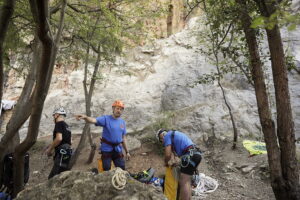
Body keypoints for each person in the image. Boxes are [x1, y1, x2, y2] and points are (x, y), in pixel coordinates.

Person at [75, 100, 130, 171]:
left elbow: (123, 138)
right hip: (107, 149)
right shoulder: (106, 119)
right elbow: (93, 120)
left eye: (121, 109)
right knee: (106, 169)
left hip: (118, 149)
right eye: (117, 108)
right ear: (113, 109)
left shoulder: (122, 122)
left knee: (122, 169)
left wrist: (127, 152)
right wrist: (85, 117)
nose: (119, 110)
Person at [157, 129, 202, 200]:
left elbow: (167, 155)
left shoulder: (167, 136)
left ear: (162, 136)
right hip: (196, 154)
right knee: (187, 181)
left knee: (183, 181)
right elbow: (179, 156)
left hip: (190, 155)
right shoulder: (175, 136)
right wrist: (177, 163)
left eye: (161, 140)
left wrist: (166, 163)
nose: (162, 142)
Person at [46, 107, 72, 179]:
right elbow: (70, 141)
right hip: (67, 152)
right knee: (62, 176)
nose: (53, 117)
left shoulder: (59, 124)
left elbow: (59, 138)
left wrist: (50, 149)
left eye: (54, 115)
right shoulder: (67, 126)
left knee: (52, 178)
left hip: (62, 152)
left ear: (57, 115)